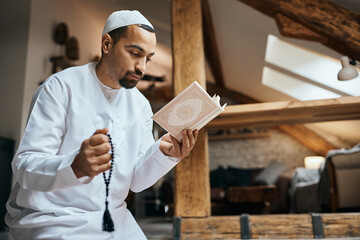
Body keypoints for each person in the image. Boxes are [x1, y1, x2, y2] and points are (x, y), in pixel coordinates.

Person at [5, 10, 198, 239]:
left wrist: (165, 154)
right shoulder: (60, 88)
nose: (142, 67)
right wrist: (74, 166)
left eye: (148, 58)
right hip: (54, 218)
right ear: (107, 44)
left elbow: (136, 182)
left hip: (114, 219)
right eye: (135, 53)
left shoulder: (140, 105)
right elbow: (25, 166)